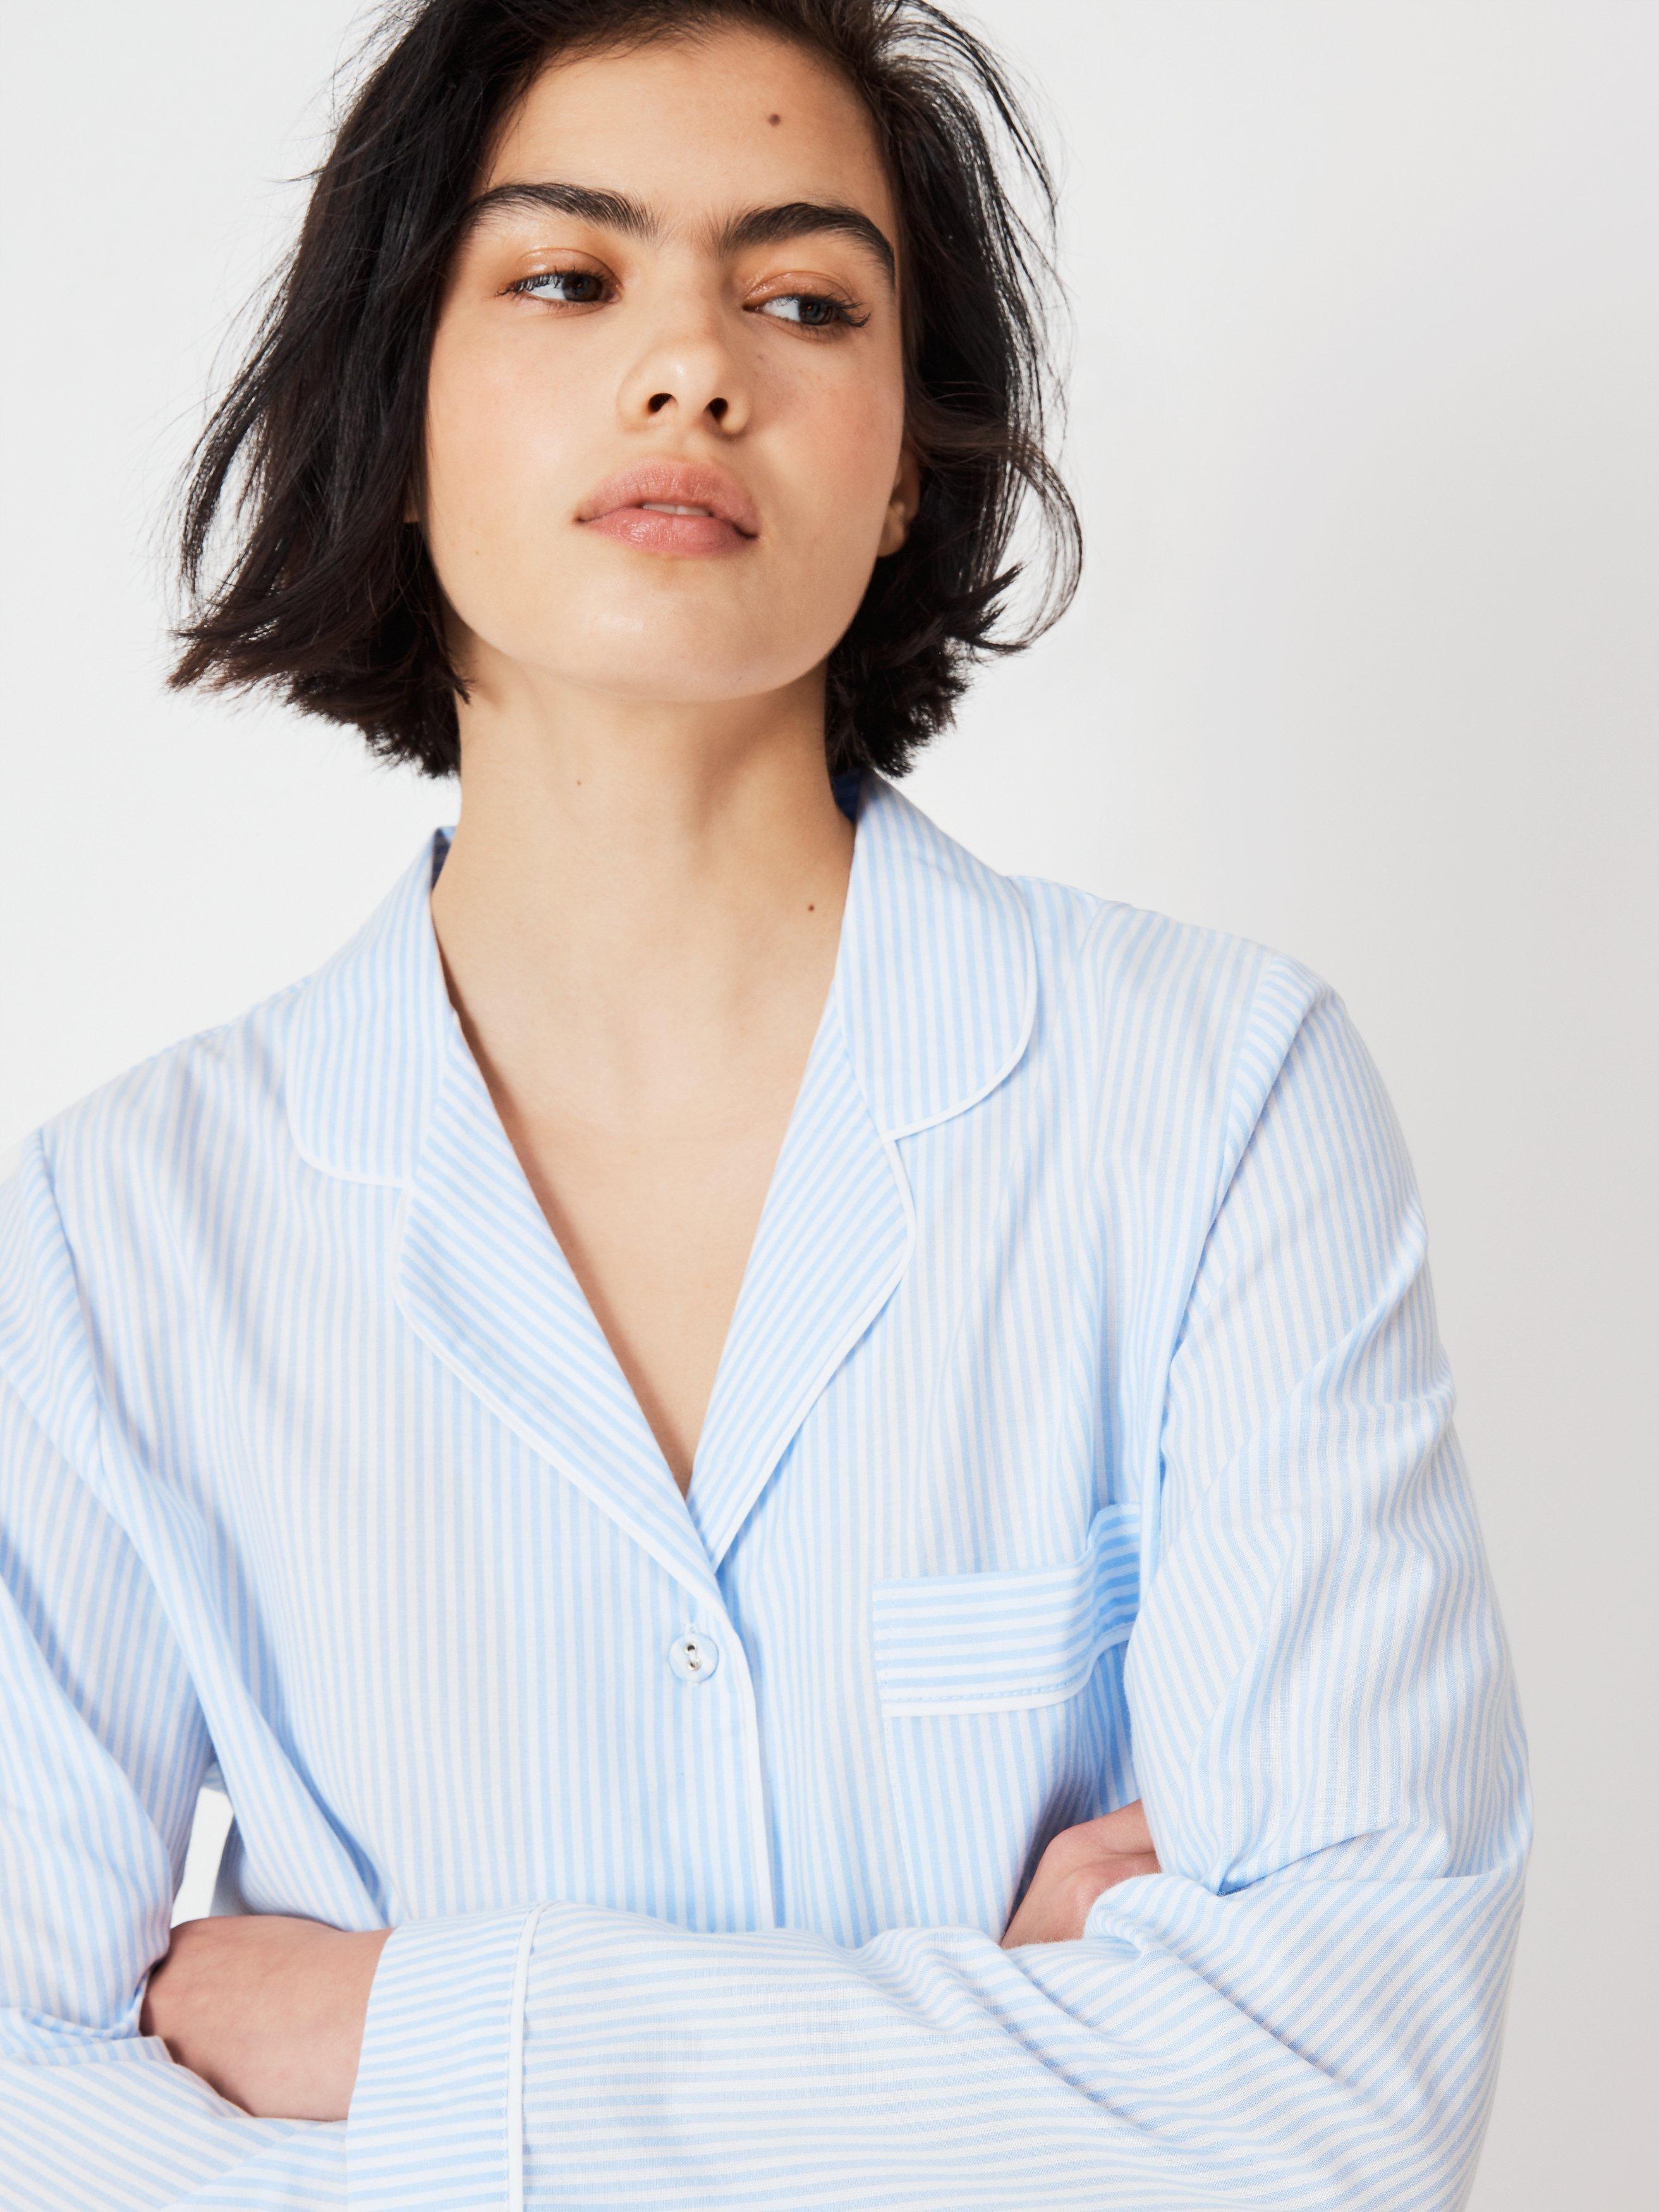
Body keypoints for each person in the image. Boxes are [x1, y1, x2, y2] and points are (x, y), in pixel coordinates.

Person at [0, 2, 1529, 2206]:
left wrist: (420, 2035)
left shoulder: (1212, 1107)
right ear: (394, 406)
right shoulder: (119, 1235)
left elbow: (1339, 2095)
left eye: (804, 300)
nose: (692, 367)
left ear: (903, 462)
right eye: (566, 276)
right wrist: (1006, 2055)